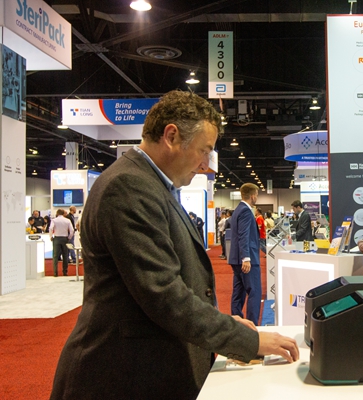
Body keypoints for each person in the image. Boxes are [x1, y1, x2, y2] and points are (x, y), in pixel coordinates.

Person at [50, 90, 298, 400]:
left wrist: (222, 323)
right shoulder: (128, 186)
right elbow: (164, 295)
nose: (205, 164)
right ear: (171, 136)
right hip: (118, 376)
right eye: (204, 150)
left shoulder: (150, 185)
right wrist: (246, 341)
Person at [229, 183, 262, 325]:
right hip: (247, 259)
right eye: (257, 195)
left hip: (236, 259)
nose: (257, 198)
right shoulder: (246, 211)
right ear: (253, 196)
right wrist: (246, 258)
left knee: (238, 293)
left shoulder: (237, 210)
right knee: (254, 292)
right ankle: (252, 325)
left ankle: (236, 324)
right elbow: (244, 235)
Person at [49, 209, 74, 277]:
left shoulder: (54, 220)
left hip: (57, 238)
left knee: (55, 256)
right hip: (65, 238)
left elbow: (51, 228)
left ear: (57, 213)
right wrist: (69, 238)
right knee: (65, 255)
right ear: (63, 214)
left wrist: (51, 236)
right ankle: (65, 272)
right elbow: (72, 230)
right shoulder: (67, 220)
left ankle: (55, 273)